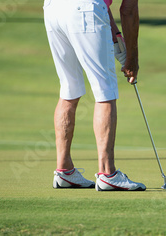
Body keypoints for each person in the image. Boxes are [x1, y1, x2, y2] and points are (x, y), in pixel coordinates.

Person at [44, 0, 145, 190]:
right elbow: (129, 10)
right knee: (105, 89)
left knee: (69, 88)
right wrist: (132, 58)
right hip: (85, 9)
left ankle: (64, 171)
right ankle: (108, 174)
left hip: (53, 9)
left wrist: (114, 33)